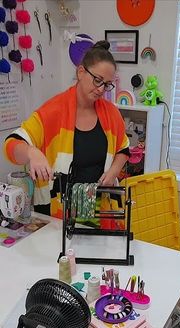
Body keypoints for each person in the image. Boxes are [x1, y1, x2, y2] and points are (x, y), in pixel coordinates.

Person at [3, 40, 129, 219]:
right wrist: (32, 153)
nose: (101, 89)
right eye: (97, 80)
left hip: (100, 206)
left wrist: (113, 172)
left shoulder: (111, 113)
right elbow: (11, 145)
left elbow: (123, 148)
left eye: (107, 84)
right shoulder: (53, 111)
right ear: (80, 72)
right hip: (58, 209)